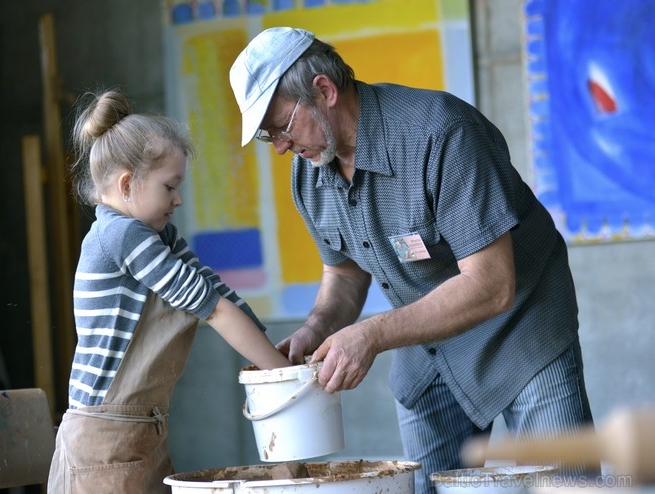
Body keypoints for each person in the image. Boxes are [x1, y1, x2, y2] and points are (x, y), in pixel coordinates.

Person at [229, 27, 595, 493]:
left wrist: (371, 334)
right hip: (429, 347)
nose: (280, 146)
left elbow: (492, 285)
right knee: (422, 488)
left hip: (521, 327)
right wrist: (316, 330)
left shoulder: (441, 132)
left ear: (324, 91)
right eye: (268, 136)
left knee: (566, 486)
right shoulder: (309, 172)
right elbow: (343, 272)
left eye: (281, 126)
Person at [47, 89, 290, 493]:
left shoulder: (159, 236)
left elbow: (216, 292)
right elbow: (211, 309)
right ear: (127, 183)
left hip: (144, 431)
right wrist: (281, 375)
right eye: (169, 187)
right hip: (104, 441)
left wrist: (276, 356)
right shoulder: (119, 234)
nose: (178, 199)